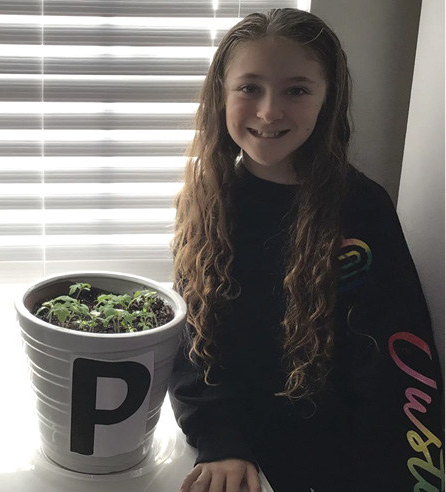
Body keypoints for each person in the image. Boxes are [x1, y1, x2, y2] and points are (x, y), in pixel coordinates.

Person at [169, 8, 444, 492]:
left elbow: (397, 361)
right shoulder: (208, 199)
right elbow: (194, 341)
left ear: (327, 99)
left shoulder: (361, 209)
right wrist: (222, 440)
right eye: (249, 87)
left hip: (341, 465)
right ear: (221, 96)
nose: (270, 110)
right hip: (239, 455)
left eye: (296, 90)